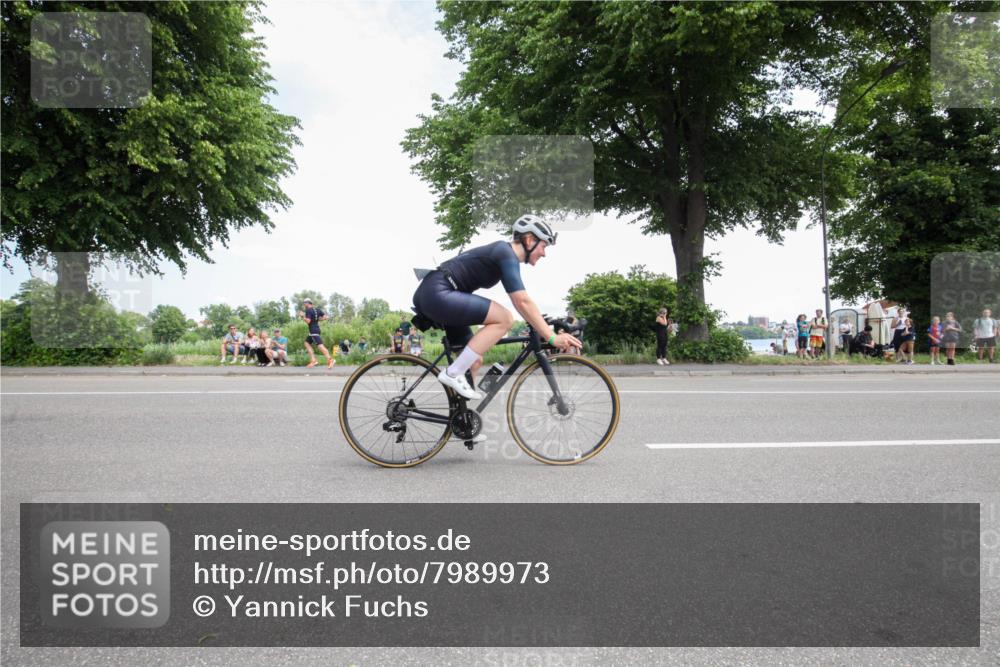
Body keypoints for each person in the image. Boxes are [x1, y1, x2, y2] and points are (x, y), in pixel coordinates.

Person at [412, 214, 580, 400]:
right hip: (438, 292)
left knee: (473, 361)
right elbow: (522, 301)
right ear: (530, 239)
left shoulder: (504, 255)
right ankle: (452, 373)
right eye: (543, 246)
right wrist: (552, 337)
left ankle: (461, 424)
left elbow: (524, 303)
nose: (544, 253)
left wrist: (542, 325)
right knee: (505, 318)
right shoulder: (505, 253)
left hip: (437, 293)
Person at [299, 298, 333, 368]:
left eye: (304, 303)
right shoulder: (317, 310)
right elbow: (326, 317)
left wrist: (302, 316)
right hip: (316, 330)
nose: (304, 304)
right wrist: (318, 319)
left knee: (320, 346)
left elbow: (308, 321)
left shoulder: (308, 310)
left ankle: (330, 359)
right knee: (307, 343)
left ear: (308, 303)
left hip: (313, 331)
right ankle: (313, 360)